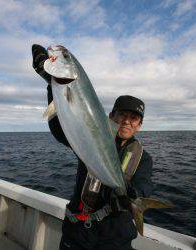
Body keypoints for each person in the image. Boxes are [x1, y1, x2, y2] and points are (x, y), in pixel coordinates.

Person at [32, 44, 153, 250]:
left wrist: (129, 195)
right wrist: (52, 85)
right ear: (111, 117)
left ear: (139, 126)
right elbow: (62, 130)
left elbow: (144, 187)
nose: (126, 121)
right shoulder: (90, 137)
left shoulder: (143, 157)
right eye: (122, 115)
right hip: (78, 230)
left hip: (115, 235)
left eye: (133, 118)